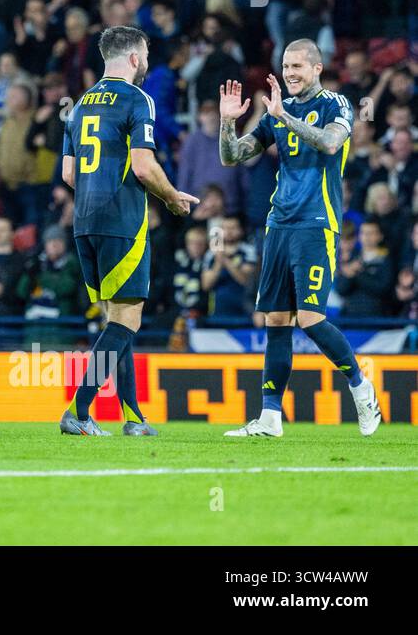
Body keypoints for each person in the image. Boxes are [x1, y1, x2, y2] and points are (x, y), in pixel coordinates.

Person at [218, 38, 383, 437]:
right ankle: (271, 417)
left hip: (316, 223)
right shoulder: (279, 110)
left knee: (309, 318)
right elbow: (233, 156)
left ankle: (361, 388)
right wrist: (228, 122)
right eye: (286, 66)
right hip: (279, 224)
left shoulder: (335, 104)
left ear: (316, 68)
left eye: (297, 67)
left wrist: (283, 118)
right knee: (274, 318)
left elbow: (329, 141)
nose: (290, 73)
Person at [59, 26, 198, 437]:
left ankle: (134, 418)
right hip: (121, 220)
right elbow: (142, 165)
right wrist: (171, 196)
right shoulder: (138, 99)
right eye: (147, 57)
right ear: (135, 59)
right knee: (126, 321)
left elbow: (69, 174)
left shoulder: (80, 105)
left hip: (84, 222)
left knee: (116, 320)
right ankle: (79, 411)